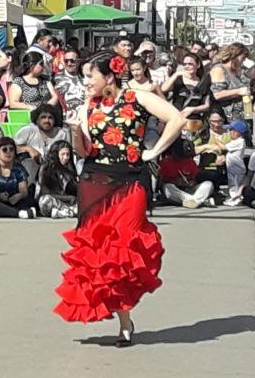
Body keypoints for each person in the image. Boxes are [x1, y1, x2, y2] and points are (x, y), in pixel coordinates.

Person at [54, 51, 185, 346]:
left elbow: (176, 119)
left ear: (109, 76)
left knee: (125, 247)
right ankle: (124, 321)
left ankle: (125, 317)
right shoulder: (89, 105)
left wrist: (154, 151)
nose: (86, 81)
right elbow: (83, 151)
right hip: (94, 183)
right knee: (102, 255)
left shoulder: (137, 97)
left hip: (130, 182)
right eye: (85, 76)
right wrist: (75, 131)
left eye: (91, 75)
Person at [0, 137, 36, 218]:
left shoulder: (19, 168)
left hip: (13, 201)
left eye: (11, 149)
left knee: (30, 199)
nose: (8, 152)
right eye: (4, 150)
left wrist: (19, 195)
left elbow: (24, 191)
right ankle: (17, 213)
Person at [13, 104, 68, 180]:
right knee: (29, 162)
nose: (47, 120)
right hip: (29, 169)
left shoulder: (61, 133)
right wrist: (29, 149)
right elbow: (11, 146)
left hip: (52, 169)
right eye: (43, 117)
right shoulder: (28, 130)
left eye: (50, 118)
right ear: (37, 119)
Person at [158, 137, 214, 209]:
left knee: (208, 184)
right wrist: (176, 182)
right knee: (167, 187)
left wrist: (192, 182)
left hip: (189, 189)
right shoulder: (165, 162)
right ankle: (197, 201)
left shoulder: (190, 161)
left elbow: (196, 177)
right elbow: (161, 183)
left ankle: (193, 201)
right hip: (178, 192)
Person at [209, 43, 250, 123]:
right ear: (235, 55)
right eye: (243, 57)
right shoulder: (219, 69)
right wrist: (238, 91)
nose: (244, 60)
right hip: (226, 117)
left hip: (241, 115)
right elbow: (216, 94)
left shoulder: (238, 70)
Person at [38, 141, 78, 218]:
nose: (66, 157)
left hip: (68, 203)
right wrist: (68, 198)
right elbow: (44, 193)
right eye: (63, 154)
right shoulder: (45, 169)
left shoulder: (70, 169)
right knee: (45, 200)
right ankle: (68, 212)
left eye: (68, 155)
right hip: (53, 201)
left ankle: (65, 212)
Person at [221, 119, 248, 206]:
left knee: (236, 184)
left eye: (231, 130)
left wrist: (216, 140)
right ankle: (233, 197)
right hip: (232, 167)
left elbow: (223, 147)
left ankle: (237, 199)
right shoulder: (234, 141)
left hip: (237, 168)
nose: (229, 132)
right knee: (232, 183)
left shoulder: (240, 141)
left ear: (237, 132)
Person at [54, 47, 85, 112]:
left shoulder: (87, 76)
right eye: (66, 61)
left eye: (72, 61)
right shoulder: (56, 78)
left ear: (79, 61)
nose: (69, 64)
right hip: (65, 117)